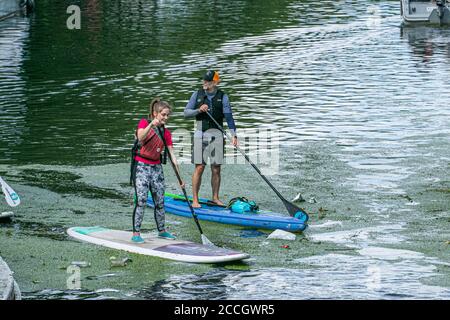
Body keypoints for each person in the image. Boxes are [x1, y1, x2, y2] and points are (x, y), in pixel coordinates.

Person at [131, 98, 183, 243]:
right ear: (155, 114)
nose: (166, 118)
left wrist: (180, 179)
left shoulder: (166, 133)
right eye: (163, 115)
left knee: (160, 201)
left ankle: (162, 231)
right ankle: (136, 233)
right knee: (141, 200)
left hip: (156, 168)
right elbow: (140, 137)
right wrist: (151, 125)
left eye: (167, 115)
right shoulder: (144, 123)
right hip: (141, 166)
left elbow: (172, 155)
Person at [184, 70, 238, 208]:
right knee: (200, 167)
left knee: (216, 168)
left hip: (218, 135)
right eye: (204, 81)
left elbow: (229, 117)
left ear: (215, 82)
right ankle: (195, 200)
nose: (205, 83)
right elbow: (186, 113)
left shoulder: (223, 97)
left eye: (208, 81)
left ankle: (215, 198)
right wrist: (198, 110)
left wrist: (234, 135)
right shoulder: (197, 94)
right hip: (200, 134)